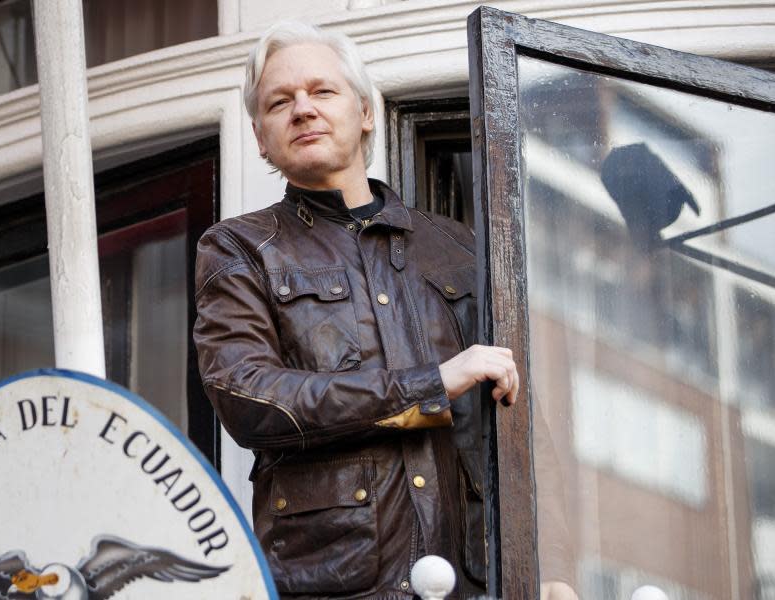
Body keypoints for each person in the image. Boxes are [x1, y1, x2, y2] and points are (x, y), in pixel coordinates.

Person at [193, 21, 574, 599]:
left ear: (366, 112)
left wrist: (552, 569)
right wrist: (428, 385)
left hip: (480, 581)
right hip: (334, 585)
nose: (302, 109)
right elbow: (248, 397)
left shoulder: (462, 247)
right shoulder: (238, 248)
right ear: (260, 138)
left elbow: (523, 422)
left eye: (322, 92)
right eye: (280, 101)